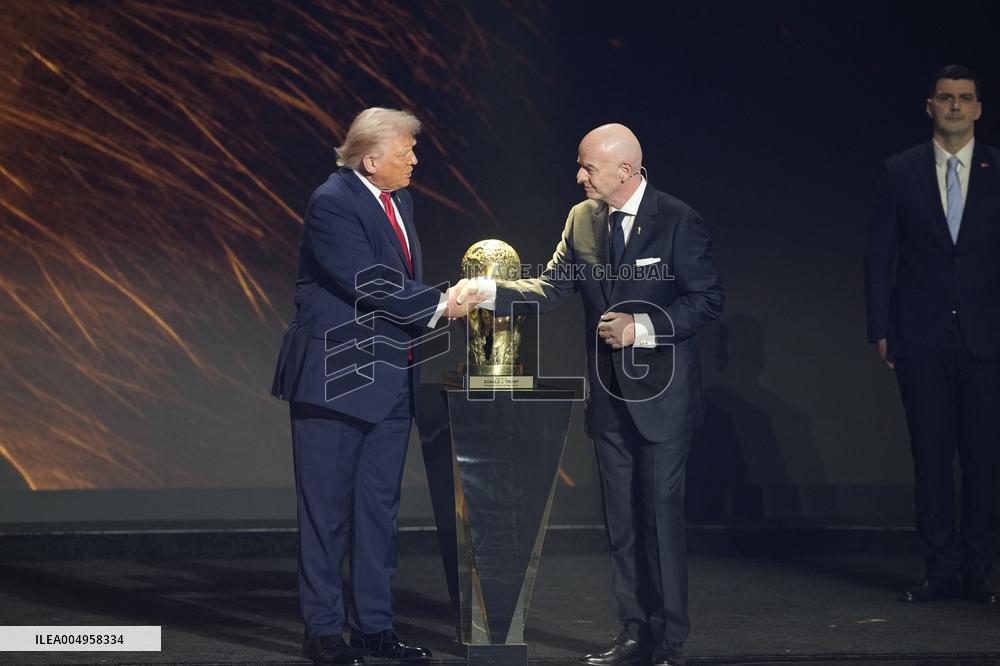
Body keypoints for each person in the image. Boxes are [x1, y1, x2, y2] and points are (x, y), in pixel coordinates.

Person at [461, 124, 723, 666]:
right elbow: (554, 288)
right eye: (580, 166)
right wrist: (490, 290)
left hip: (664, 399)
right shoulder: (582, 219)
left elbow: (706, 300)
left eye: (588, 167)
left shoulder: (677, 219)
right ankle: (632, 633)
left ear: (625, 170)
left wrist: (641, 329)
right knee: (622, 522)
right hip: (608, 400)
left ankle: (669, 639)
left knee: (660, 518)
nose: (579, 176)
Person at [271, 107, 480, 665]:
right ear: (370, 158)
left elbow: (397, 283)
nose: (415, 159)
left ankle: (373, 628)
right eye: (405, 150)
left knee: (377, 511)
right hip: (337, 373)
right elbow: (366, 280)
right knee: (327, 513)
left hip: (391, 375)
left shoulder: (399, 199)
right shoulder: (332, 202)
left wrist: (440, 302)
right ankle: (324, 633)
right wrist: (441, 304)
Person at [866, 65, 1000, 605]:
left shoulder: (997, 169)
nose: (955, 107)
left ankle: (978, 573)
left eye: (965, 98)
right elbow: (880, 254)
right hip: (918, 335)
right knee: (931, 456)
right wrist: (880, 327)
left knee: (984, 460)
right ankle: (939, 571)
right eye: (945, 98)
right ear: (930, 106)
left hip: (987, 338)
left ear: (978, 108)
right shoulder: (900, 171)